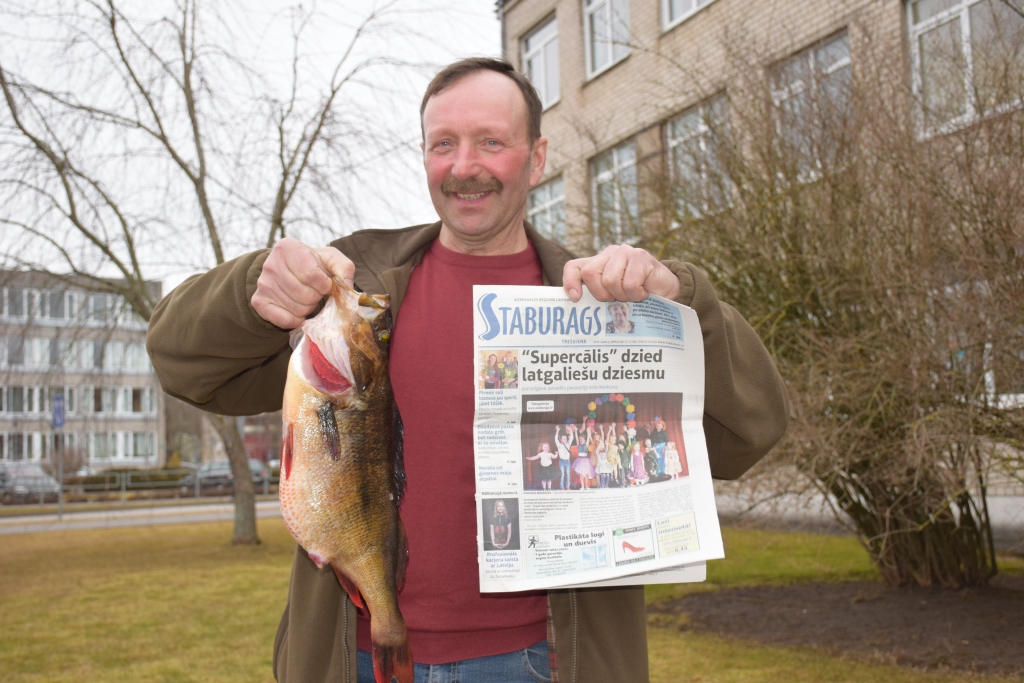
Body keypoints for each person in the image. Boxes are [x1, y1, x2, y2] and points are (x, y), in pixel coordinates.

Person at [146, 57, 789, 683]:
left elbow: (747, 434)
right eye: (443, 144)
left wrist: (684, 303)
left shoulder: (607, 309)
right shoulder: (350, 296)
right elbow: (182, 361)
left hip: (542, 662)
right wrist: (256, 288)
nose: (464, 167)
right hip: (360, 658)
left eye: (491, 142)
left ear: (536, 158)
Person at [554, 425, 572, 490]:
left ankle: (568, 486)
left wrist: (570, 430)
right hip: (561, 461)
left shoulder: (568, 444)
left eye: (565, 438)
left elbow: (571, 437)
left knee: (568, 475)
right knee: (562, 475)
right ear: (560, 439)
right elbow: (556, 439)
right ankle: (561, 487)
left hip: (567, 461)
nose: (565, 439)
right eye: (563, 438)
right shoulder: (559, 445)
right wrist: (557, 431)